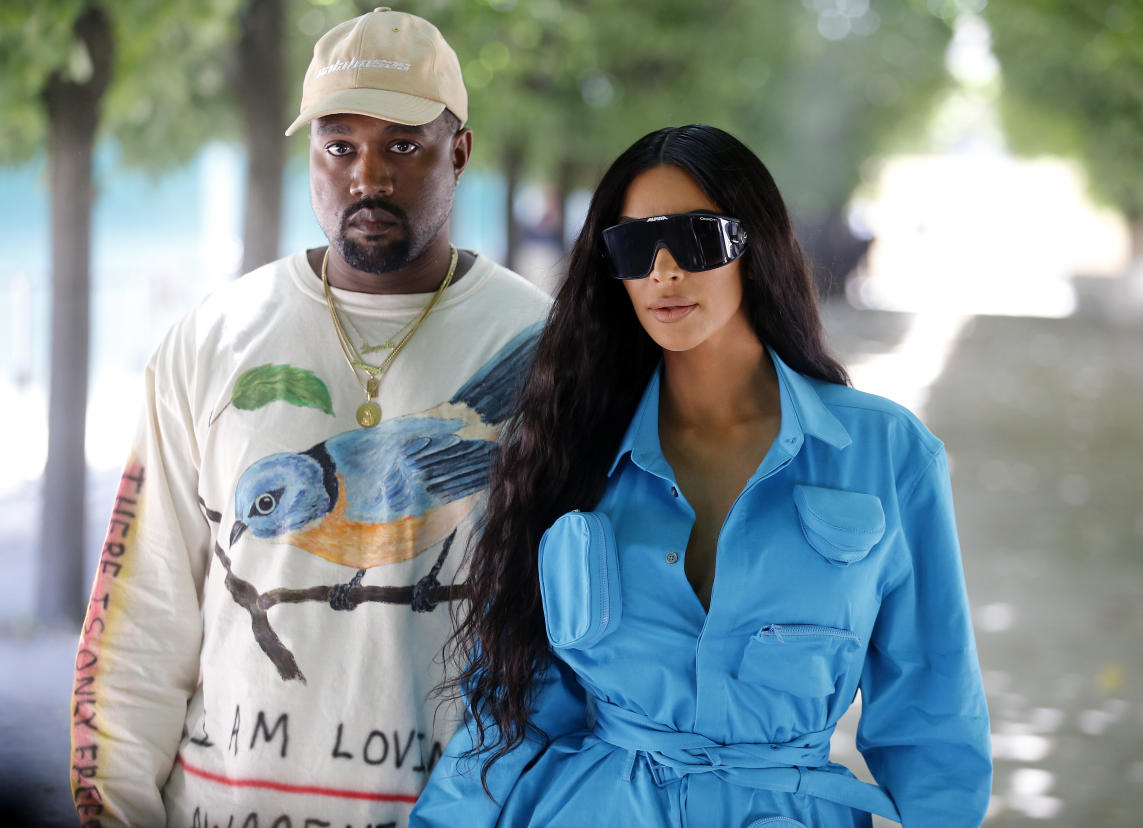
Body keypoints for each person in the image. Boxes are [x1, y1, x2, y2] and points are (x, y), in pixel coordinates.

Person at [409, 124, 992, 827]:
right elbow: (513, 714)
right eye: (633, 245)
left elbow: (934, 719)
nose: (663, 270)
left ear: (756, 244)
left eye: (695, 238)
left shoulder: (887, 453)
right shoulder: (569, 452)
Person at [69, 9, 549, 826]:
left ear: (458, 151)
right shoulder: (211, 338)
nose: (369, 176)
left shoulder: (545, 345)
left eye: (403, 145)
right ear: (311, 154)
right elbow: (143, 610)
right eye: (340, 146)